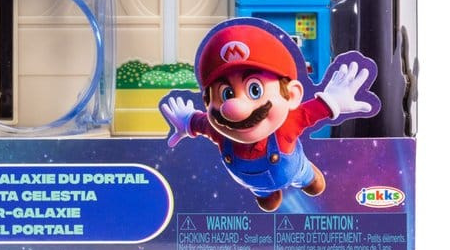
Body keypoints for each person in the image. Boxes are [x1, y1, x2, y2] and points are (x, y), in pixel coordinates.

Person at [161, 18, 375, 211]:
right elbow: (201, 123)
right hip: (254, 183)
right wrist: (186, 122)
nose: (234, 107)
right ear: (208, 102)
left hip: (294, 168)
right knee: (267, 201)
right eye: (226, 94)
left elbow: (312, 112)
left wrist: (334, 100)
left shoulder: (288, 125)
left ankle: (306, 178)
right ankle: (265, 193)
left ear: (291, 95)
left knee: (311, 182)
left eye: (254, 89)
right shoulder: (220, 132)